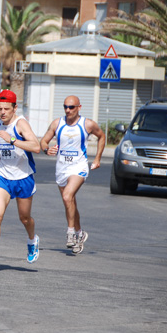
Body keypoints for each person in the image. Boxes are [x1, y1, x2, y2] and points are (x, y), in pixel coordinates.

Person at [0, 89, 41, 273]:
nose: (2, 112)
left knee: (25, 218)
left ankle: (32, 240)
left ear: (15, 108)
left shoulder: (21, 124)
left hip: (23, 178)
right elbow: (5, 146)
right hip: (3, 176)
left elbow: (35, 147)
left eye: (6, 108)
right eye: (0, 108)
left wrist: (12, 140)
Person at [40, 95, 106, 255]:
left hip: (79, 167)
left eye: (71, 107)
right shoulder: (57, 123)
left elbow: (102, 136)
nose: (68, 110)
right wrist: (46, 149)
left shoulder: (87, 124)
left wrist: (97, 159)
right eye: (65, 107)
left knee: (67, 196)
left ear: (79, 107)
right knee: (69, 202)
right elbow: (43, 141)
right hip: (62, 168)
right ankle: (80, 233)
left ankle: (70, 233)